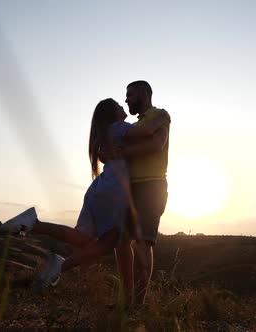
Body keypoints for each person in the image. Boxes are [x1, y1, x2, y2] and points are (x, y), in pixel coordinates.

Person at [0, 98, 169, 291]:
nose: (123, 106)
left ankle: (34, 223)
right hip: (113, 191)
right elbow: (146, 132)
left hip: (99, 189)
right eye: (119, 106)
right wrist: (164, 118)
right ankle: (60, 266)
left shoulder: (105, 133)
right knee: (109, 243)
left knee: (81, 238)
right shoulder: (119, 127)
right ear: (113, 114)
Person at [114, 80, 171, 305]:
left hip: (151, 186)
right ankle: (127, 299)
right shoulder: (136, 125)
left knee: (142, 243)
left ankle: (138, 303)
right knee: (121, 242)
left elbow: (156, 144)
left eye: (130, 94)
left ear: (144, 93)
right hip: (129, 187)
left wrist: (122, 149)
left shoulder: (160, 115)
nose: (126, 99)